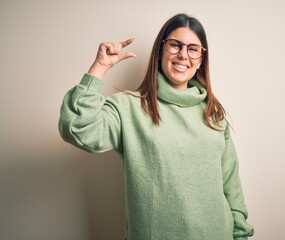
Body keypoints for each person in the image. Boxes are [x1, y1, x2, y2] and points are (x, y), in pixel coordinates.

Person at [59, 13, 254, 240]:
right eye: (175, 45)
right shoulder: (129, 107)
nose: (183, 55)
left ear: (201, 59)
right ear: (160, 50)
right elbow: (76, 127)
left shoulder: (214, 114)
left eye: (193, 49)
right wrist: (99, 67)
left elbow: (230, 183)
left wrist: (240, 235)